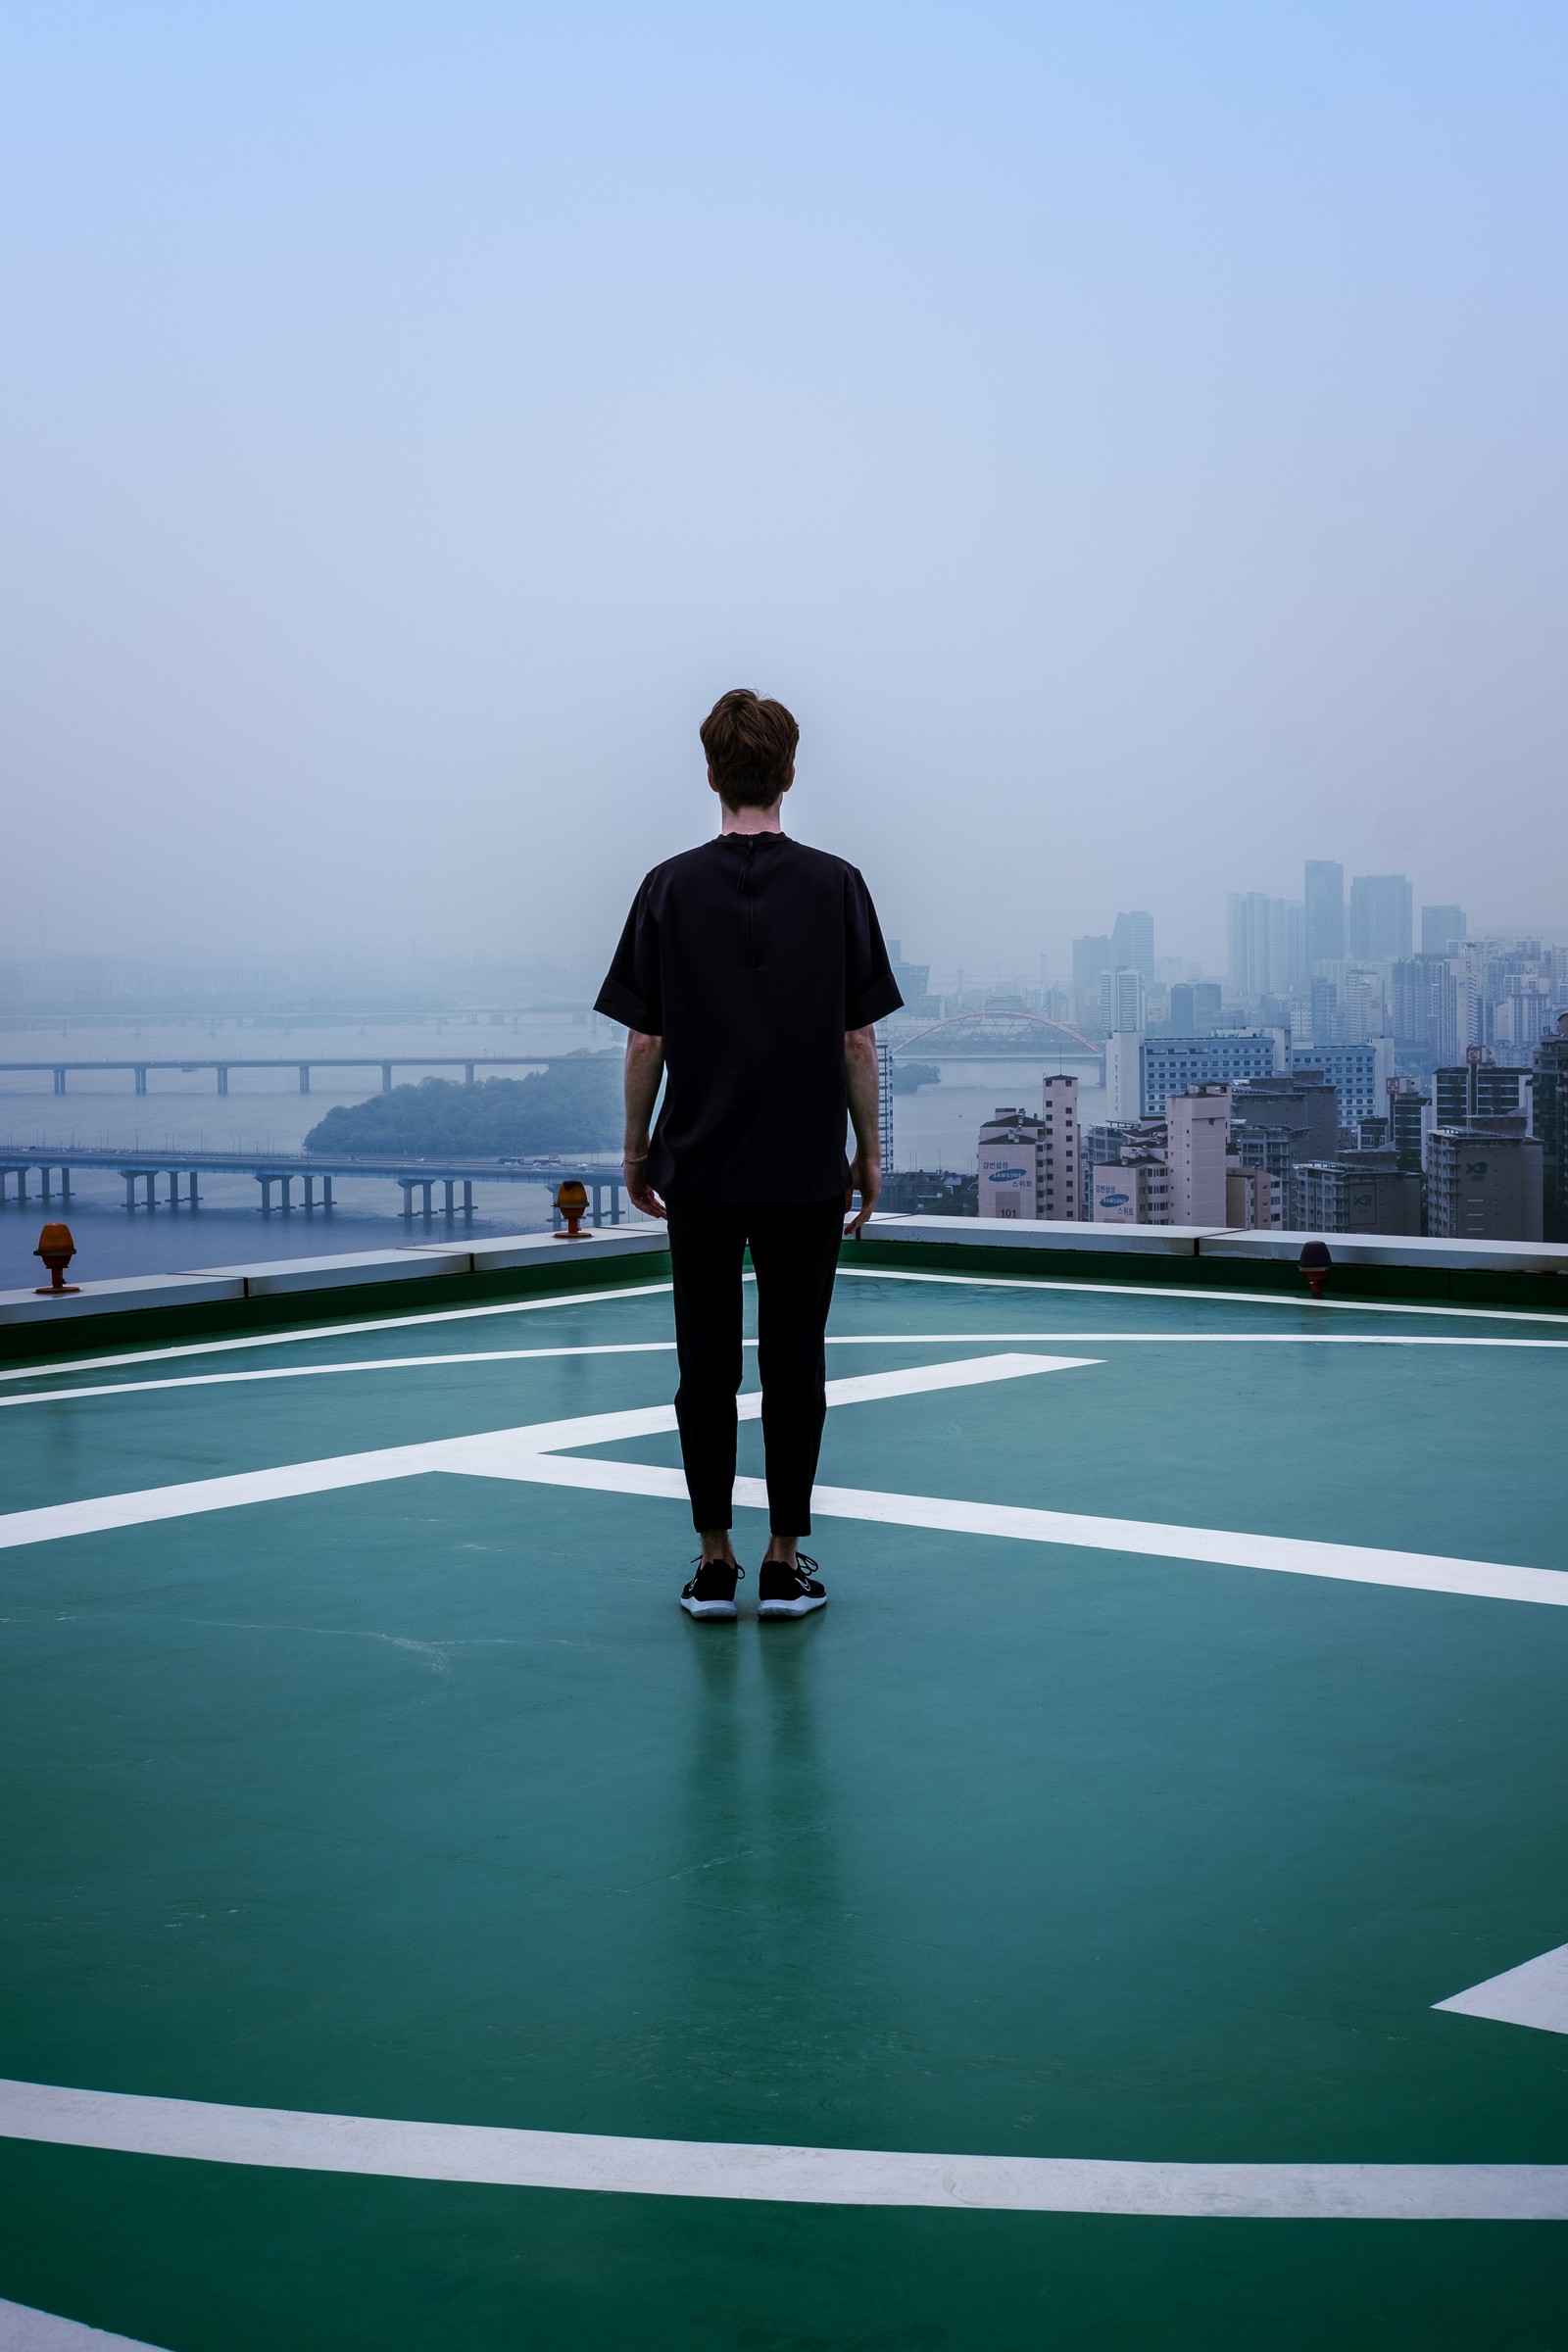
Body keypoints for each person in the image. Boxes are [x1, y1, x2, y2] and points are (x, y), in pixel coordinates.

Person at [594, 689, 903, 1621]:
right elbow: (858, 1040)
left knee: (706, 1368)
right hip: (806, 1167)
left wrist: (638, 1150)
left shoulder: (667, 886)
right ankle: (783, 1559)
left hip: (702, 1169)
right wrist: (869, 1152)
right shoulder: (838, 884)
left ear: (712, 774)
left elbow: (646, 1043)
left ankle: (713, 1561)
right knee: (795, 1365)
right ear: (790, 771)